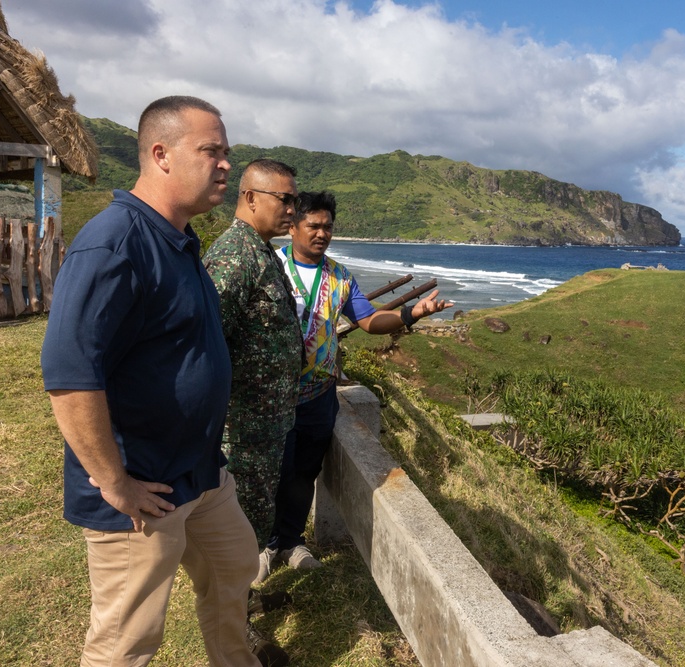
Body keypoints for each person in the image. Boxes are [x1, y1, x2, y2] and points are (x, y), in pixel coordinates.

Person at [40, 96, 271, 666]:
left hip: (199, 472)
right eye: (211, 151)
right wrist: (114, 483)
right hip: (142, 487)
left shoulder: (179, 238)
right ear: (162, 155)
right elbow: (70, 379)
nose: (225, 165)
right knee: (127, 638)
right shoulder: (116, 243)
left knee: (234, 567)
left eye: (227, 153)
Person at [255, 191, 452, 581]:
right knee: (270, 472)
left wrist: (412, 314)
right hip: (272, 395)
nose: (322, 233)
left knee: (304, 471)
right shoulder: (270, 267)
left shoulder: (340, 277)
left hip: (317, 396)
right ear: (293, 226)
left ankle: (291, 541)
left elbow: (369, 320)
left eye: (328, 226)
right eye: (314, 225)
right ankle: (261, 545)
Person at [203, 159, 304, 541]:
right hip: (242, 431)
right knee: (237, 527)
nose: (292, 210)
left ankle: (241, 598)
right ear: (250, 198)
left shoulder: (260, 252)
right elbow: (207, 341)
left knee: (254, 520)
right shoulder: (236, 256)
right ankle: (234, 600)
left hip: (263, 427)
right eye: (284, 199)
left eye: (294, 200)